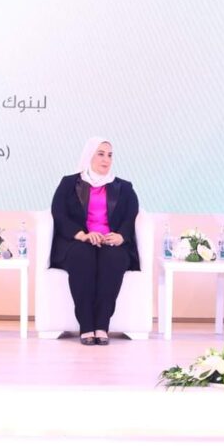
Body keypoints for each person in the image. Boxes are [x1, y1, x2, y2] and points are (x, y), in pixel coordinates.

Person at [49, 137, 139, 345]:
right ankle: (86, 326)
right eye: (100, 154)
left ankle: (101, 326)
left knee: (114, 259)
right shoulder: (69, 183)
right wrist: (81, 234)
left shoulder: (124, 187)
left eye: (110, 155)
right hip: (79, 241)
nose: (106, 159)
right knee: (81, 256)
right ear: (89, 155)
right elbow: (58, 213)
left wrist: (121, 236)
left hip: (111, 242)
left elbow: (131, 215)